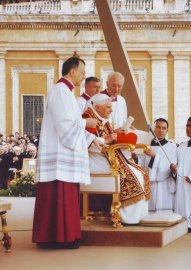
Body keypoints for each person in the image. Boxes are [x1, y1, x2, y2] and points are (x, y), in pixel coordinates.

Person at [32, 57, 100, 249]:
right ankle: (56, 238)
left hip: (62, 152)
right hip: (59, 153)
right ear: (72, 71)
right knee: (59, 196)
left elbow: (70, 120)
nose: (83, 76)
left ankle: (66, 236)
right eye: (82, 72)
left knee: (66, 196)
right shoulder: (61, 91)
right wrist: (86, 123)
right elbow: (65, 123)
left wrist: (86, 127)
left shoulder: (65, 91)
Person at [83, 93, 150, 224]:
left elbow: (109, 137)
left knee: (141, 172)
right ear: (97, 107)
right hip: (95, 160)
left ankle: (139, 216)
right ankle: (127, 217)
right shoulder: (87, 118)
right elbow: (87, 144)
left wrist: (117, 133)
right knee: (130, 174)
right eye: (108, 107)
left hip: (107, 157)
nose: (111, 110)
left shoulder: (102, 120)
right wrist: (107, 139)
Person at [137, 118, 177, 213]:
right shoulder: (146, 145)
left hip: (163, 185)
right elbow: (140, 164)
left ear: (167, 130)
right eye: (158, 127)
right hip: (147, 184)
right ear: (154, 129)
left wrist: (155, 156)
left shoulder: (171, 147)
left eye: (164, 128)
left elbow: (170, 165)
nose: (161, 130)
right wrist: (135, 156)